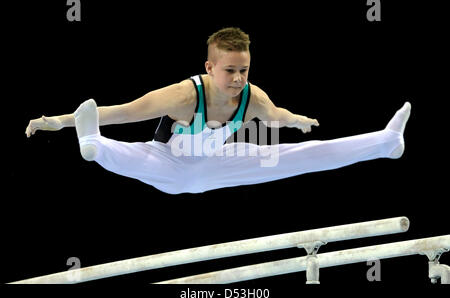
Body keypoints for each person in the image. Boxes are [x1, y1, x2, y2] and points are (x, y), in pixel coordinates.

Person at [25, 27, 411, 195]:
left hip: (220, 163)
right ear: (209, 67)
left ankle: (386, 142)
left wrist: (296, 121)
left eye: (244, 69)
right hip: (168, 164)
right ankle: (91, 141)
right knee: (125, 152)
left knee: (296, 156)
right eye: (230, 70)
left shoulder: (252, 96)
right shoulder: (183, 95)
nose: (239, 78)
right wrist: (59, 121)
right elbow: (127, 112)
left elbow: (274, 115)